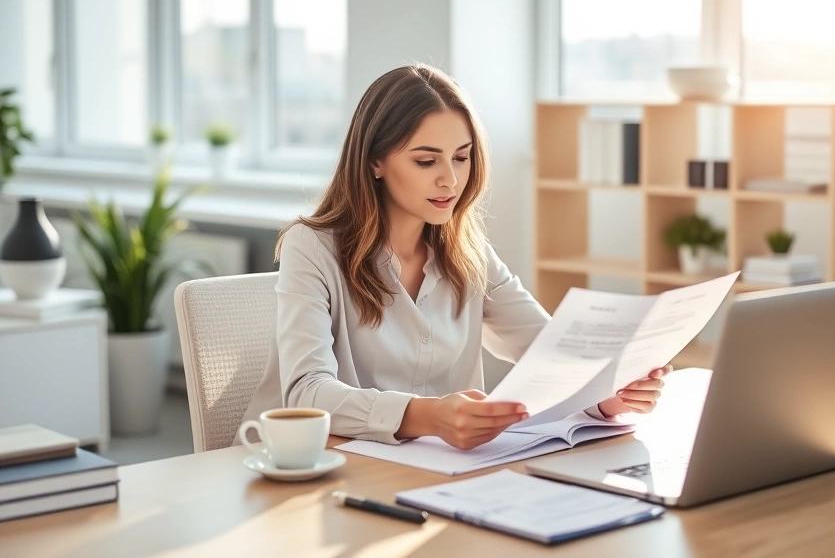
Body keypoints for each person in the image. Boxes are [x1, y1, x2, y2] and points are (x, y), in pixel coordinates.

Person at [240, 64, 670, 451]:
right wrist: (427, 417)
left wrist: (607, 394)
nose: (451, 179)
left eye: (461, 157)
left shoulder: (468, 252)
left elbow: (550, 353)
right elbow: (306, 392)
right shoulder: (312, 247)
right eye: (426, 161)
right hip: (312, 473)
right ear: (375, 162)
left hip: (436, 477)